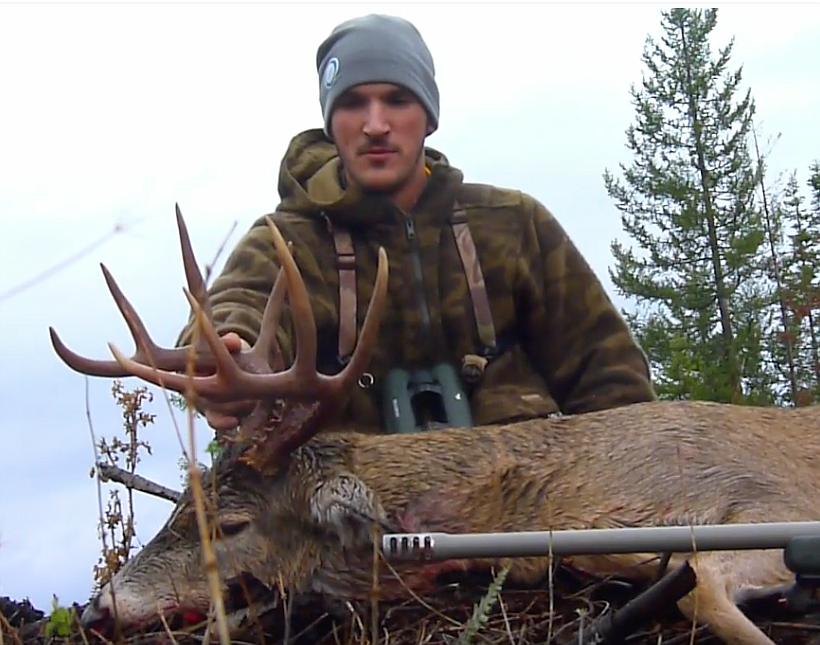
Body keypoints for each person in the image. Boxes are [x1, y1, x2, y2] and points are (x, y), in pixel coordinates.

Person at [176, 13, 656, 435]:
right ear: (330, 121)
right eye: (353, 104)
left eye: (397, 100)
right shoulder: (286, 244)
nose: (376, 124)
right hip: (345, 516)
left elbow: (610, 378)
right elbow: (233, 310)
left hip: (523, 501)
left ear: (428, 117)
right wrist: (225, 358)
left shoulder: (512, 225)